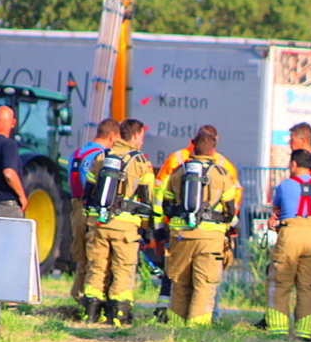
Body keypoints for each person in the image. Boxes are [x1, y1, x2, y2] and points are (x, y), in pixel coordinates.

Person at [154, 124, 242, 321]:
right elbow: (230, 209)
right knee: (204, 285)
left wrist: (161, 232)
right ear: (213, 148)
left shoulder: (177, 171)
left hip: (181, 236)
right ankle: (196, 330)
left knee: (180, 283)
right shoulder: (221, 173)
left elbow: (164, 201)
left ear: (192, 145)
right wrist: (231, 226)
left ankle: (175, 326)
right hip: (209, 238)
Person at [81, 119, 155, 326]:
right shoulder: (140, 162)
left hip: (98, 223)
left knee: (97, 267)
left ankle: (91, 314)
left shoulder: (102, 156)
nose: (142, 141)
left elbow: (89, 190)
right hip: (125, 227)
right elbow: (147, 200)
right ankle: (118, 316)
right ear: (135, 135)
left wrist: (90, 219)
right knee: (123, 269)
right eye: (141, 136)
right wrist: (148, 231)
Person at [264, 149, 311, 338]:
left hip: (291, 232)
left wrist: (274, 220)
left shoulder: (284, 185)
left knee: (280, 282)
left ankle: (278, 329)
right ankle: (304, 332)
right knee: (307, 286)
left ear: (293, 164)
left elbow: (277, 209)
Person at [67, 118, 119, 302]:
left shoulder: (77, 153)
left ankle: (77, 296)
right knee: (94, 260)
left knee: (81, 257)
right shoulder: (100, 156)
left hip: (75, 208)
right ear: (112, 137)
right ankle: (89, 300)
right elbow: (92, 184)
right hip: (90, 210)